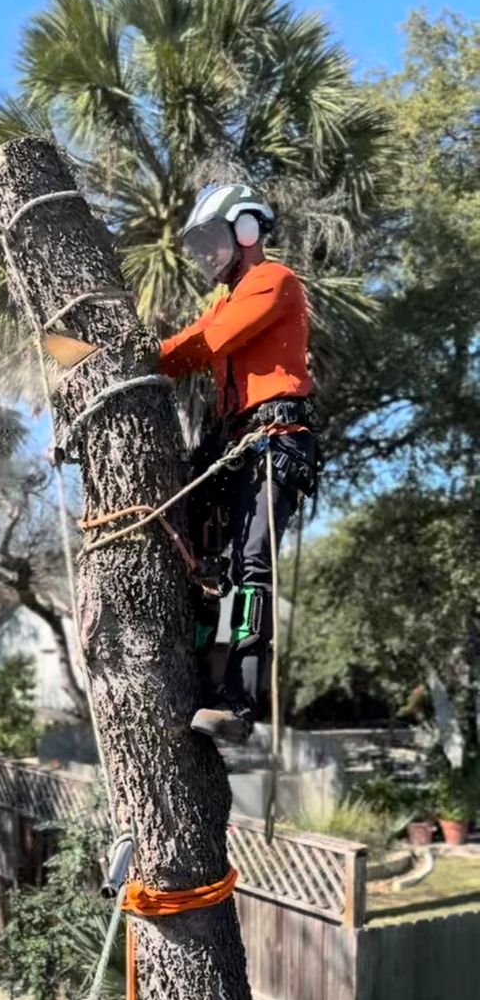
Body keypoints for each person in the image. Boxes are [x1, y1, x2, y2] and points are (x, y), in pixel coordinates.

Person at [158, 184, 319, 760]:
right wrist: (136, 357)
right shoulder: (224, 301)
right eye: (197, 245)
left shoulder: (274, 281)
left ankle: (239, 705)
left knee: (253, 561)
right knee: (199, 561)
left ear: (246, 231)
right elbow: (185, 346)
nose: (205, 255)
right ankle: (196, 685)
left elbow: (210, 341)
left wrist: (161, 354)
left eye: (211, 239)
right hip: (232, 442)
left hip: (276, 441)